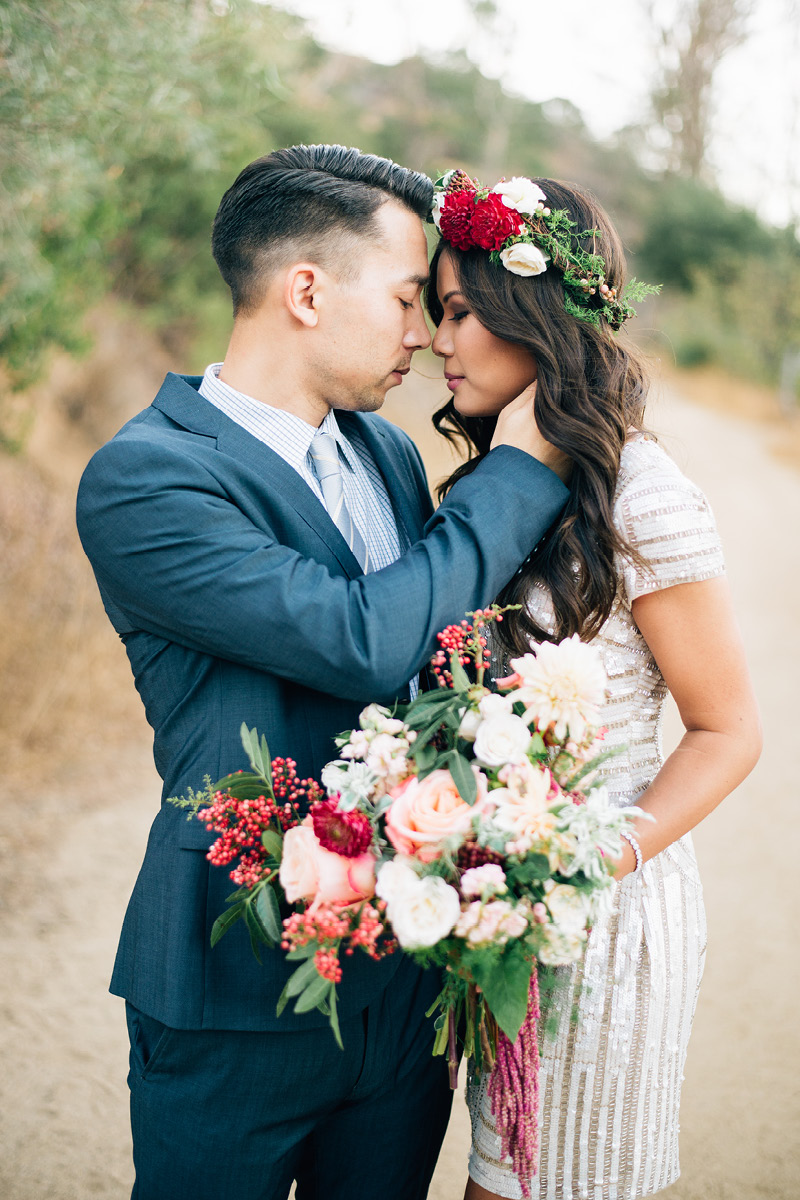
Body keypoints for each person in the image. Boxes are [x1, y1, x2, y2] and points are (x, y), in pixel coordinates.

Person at [75, 145, 570, 1200]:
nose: (422, 339)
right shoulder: (147, 476)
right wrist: (521, 475)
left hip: (399, 987)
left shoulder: (384, 452)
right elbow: (360, 638)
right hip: (233, 990)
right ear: (306, 289)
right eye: (404, 299)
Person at [426, 170, 762, 1200]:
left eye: (455, 312)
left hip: (603, 920)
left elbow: (727, 730)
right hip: (503, 920)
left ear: (530, 313)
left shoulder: (641, 492)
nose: (438, 342)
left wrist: (586, 863)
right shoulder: (502, 482)